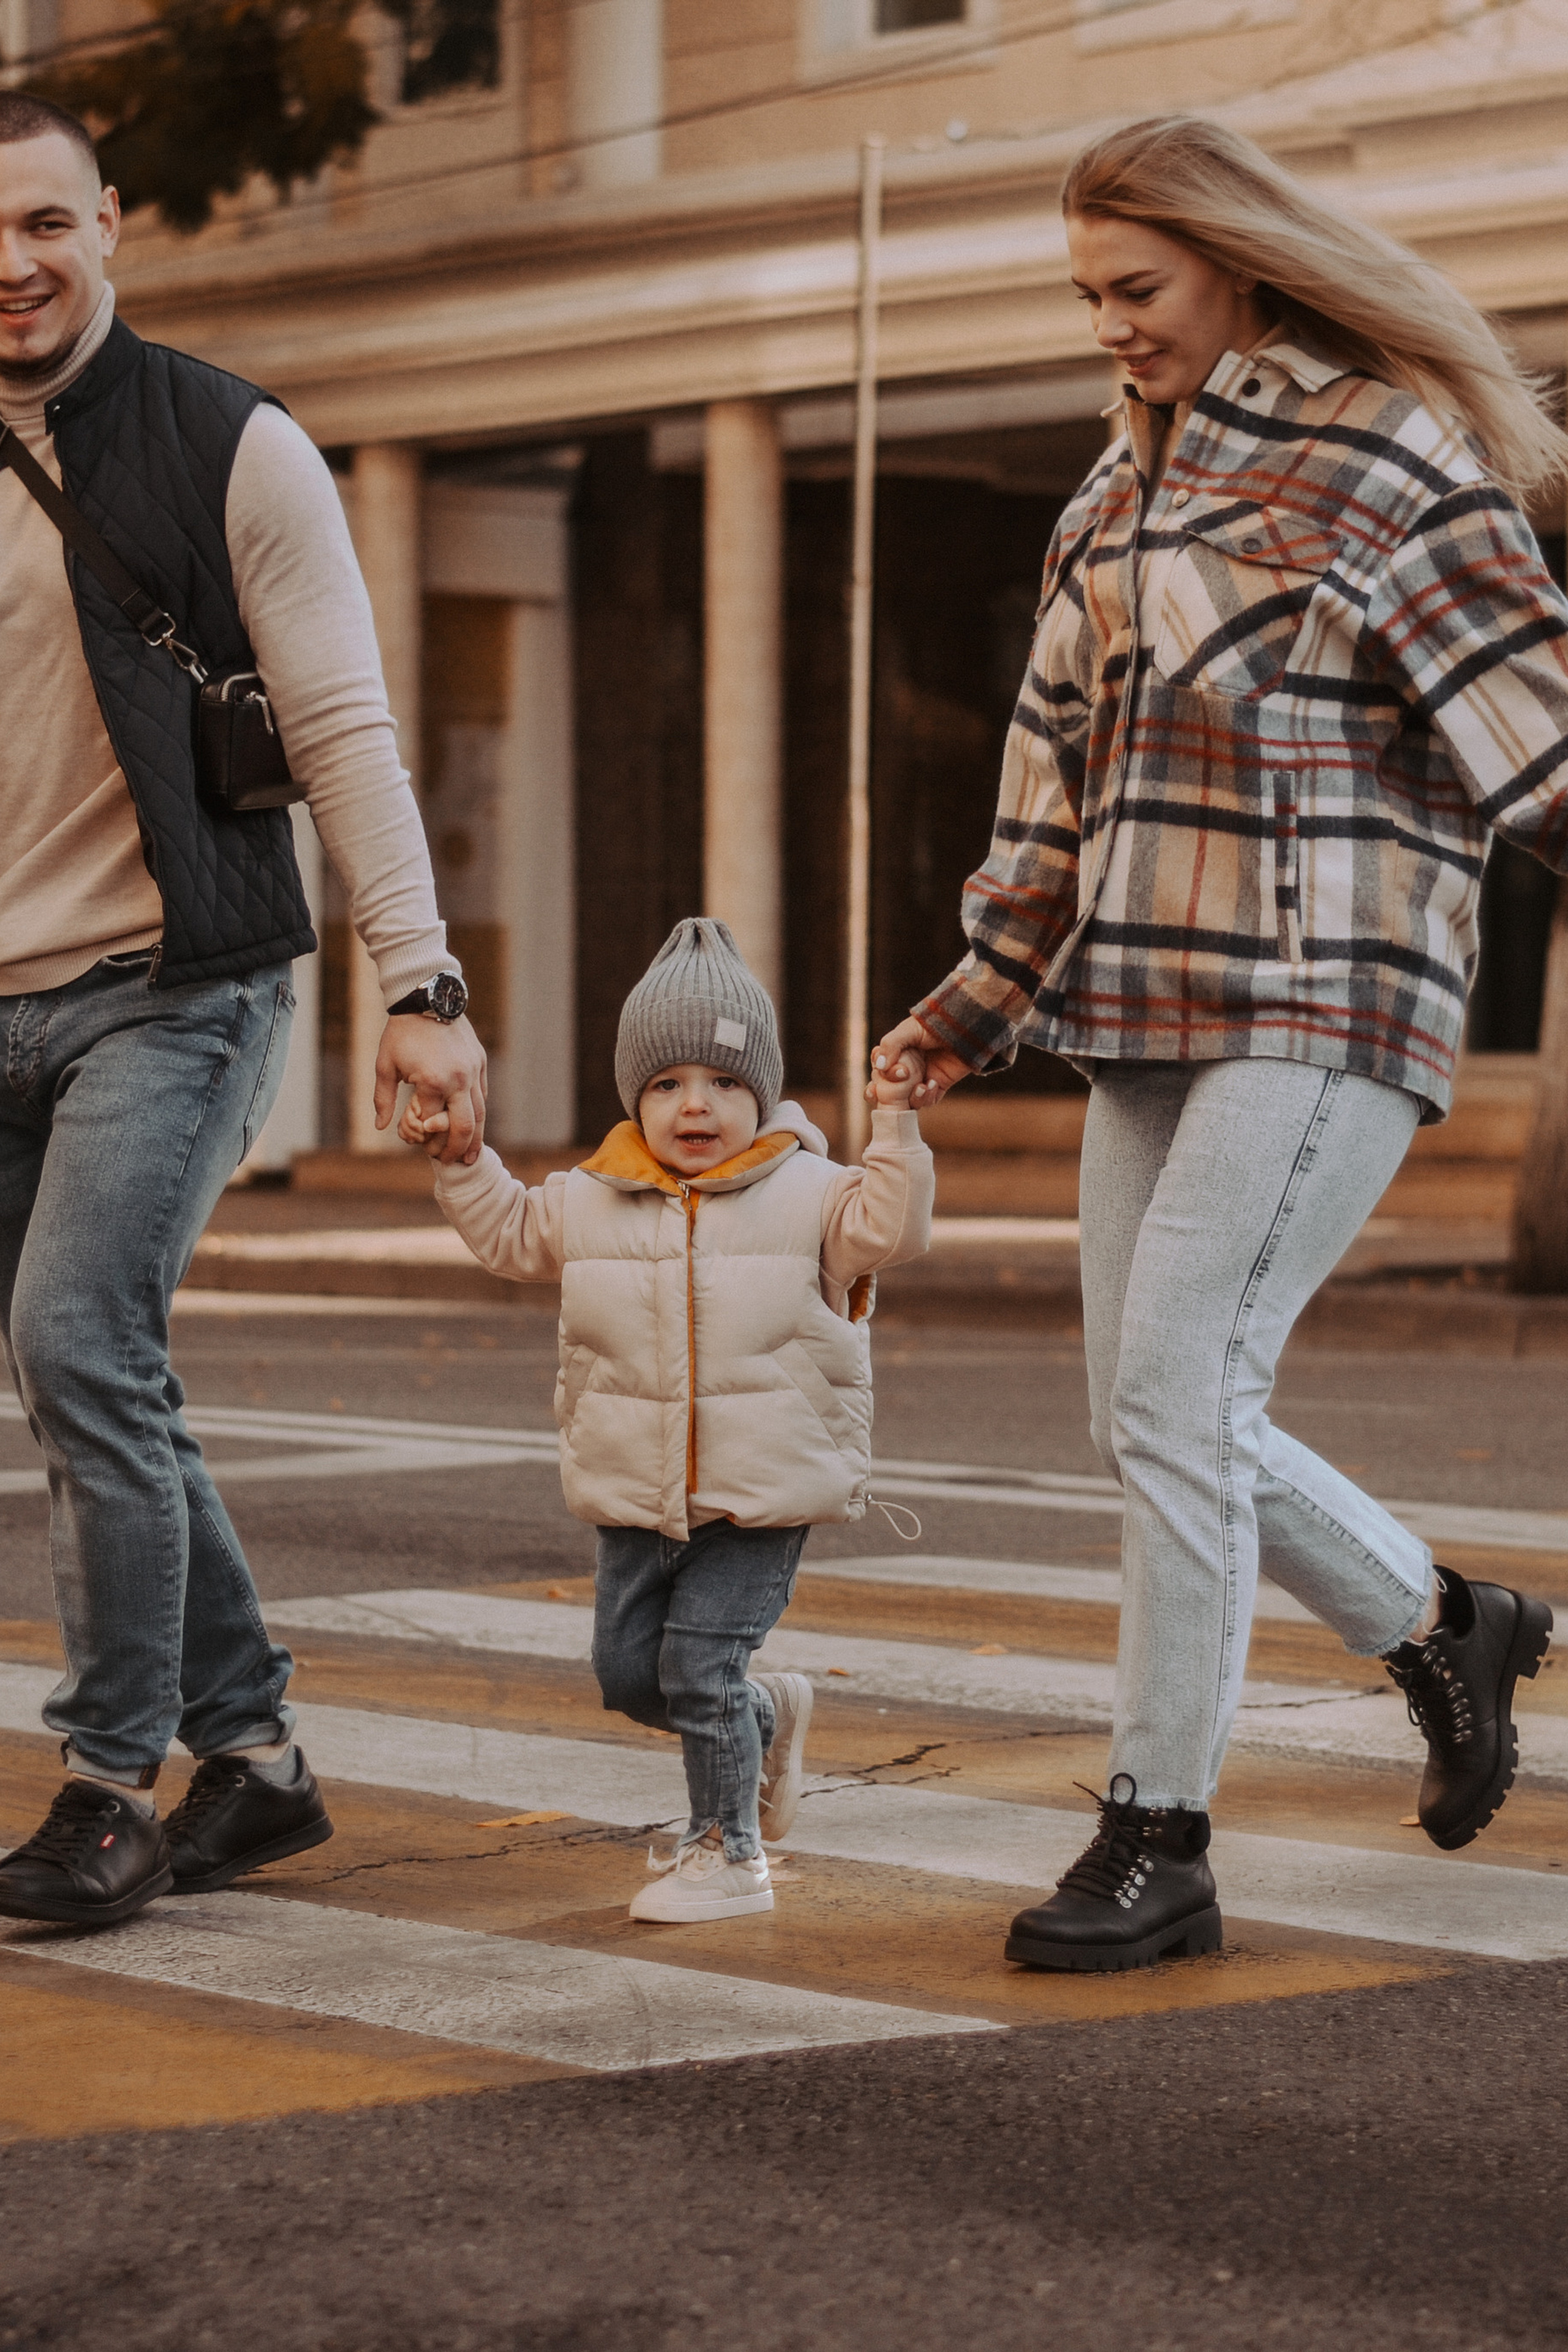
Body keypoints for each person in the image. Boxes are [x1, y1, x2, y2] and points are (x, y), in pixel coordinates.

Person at [875, 115, 1562, 1974]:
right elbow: (1050, 785)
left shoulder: (1379, 456)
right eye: (1086, 294)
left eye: (1137, 285)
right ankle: (1443, 1624)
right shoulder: (1104, 501)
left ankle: (1157, 1830)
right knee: (1144, 1413)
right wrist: (969, 1002)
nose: (1109, 323)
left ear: (1239, 264)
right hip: (1143, 1005)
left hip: (1330, 985)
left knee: (1182, 1396)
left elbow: (1540, 737)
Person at [0, 97, 486, 1929]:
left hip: (173, 987)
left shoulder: (233, 443)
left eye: (46, 222)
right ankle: (257, 1763)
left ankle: (109, 1785)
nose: (14, 264)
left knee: (78, 1345)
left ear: (111, 224)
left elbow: (344, 727)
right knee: (88, 1376)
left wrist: (421, 986)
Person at [403, 917, 933, 1921]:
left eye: (726, 1082)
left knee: (700, 1667)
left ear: (763, 1093)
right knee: (631, 1678)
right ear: (633, 1097)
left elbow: (893, 1228)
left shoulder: (814, 1194)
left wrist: (895, 1123)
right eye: (668, 1083)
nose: (697, 1104)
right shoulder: (591, 1198)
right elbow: (509, 1234)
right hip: (636, 1494)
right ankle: (764, 1718)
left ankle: (728, 1854)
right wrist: (462, 1161)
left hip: (759, 1495)